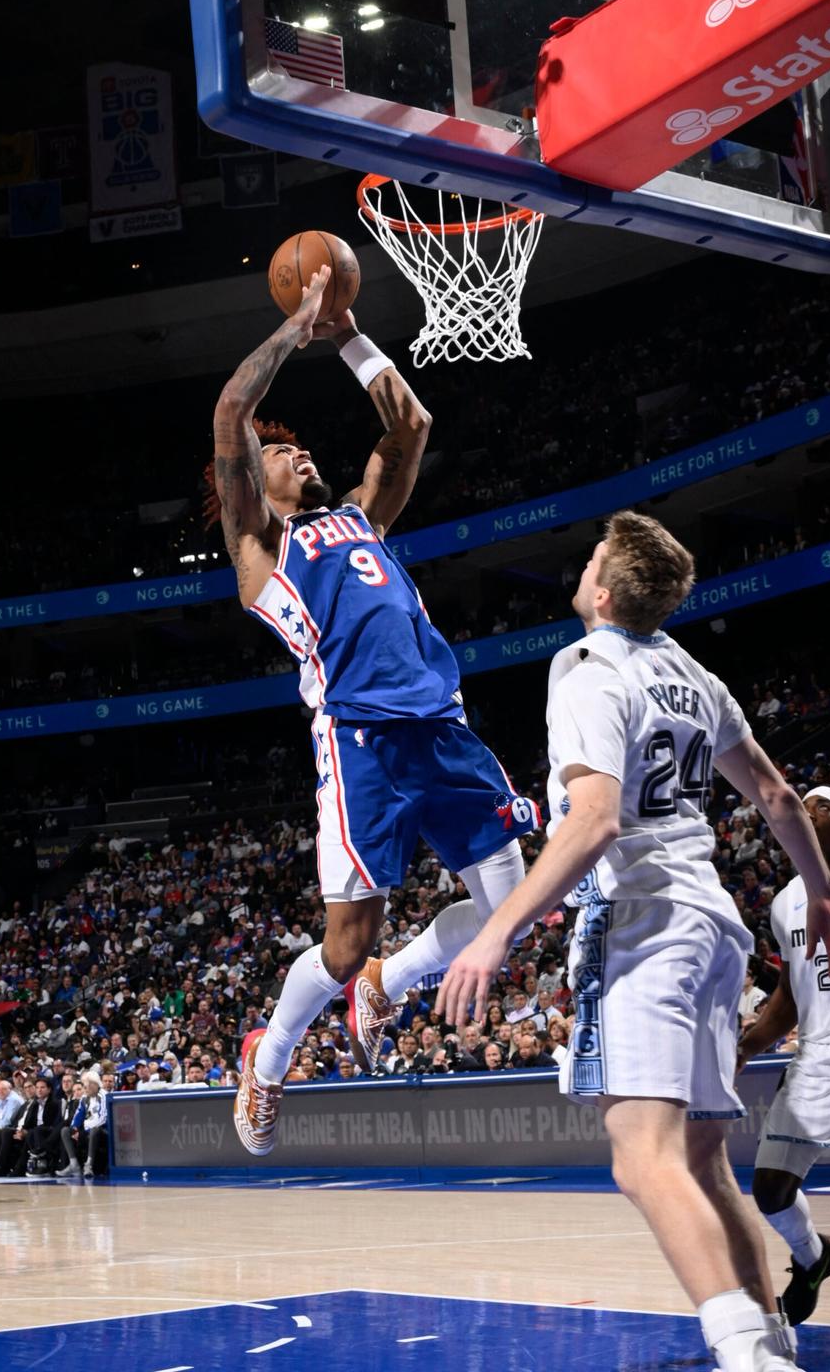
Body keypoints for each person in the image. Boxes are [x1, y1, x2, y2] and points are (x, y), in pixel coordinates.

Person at [436, 511, 830, 1372]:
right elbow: (777, 796)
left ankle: (745, 1354)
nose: (584, 566)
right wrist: (823, 894)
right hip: (715, 930)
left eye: (591, 558)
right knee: (703, 1162)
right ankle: (774, 1337)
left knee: (641, 1160)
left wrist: (498, 932)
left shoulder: (585, 668)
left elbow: (592, 822)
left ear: (602, 589)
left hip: (642, 922)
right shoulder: (694, 673)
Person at [210, 266, 537, 1155]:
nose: (300, 454)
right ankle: (269, 1059)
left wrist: (348, 333)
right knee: (342, 949)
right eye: (284, 455)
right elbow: (232, 415)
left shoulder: (362, 516)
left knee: (514, 914)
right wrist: (296, 325)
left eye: (304, 448)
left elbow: (412, 424)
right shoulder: (260, 549)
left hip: (442, 725)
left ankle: (400, 975)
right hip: (362, 746)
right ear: (254, 482)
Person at [739, 786, 830, 1325]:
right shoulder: (786, 902)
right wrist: (748, 1045)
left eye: (824, 807)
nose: (809, 810)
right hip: (815, 1054)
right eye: (804, 804)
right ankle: (813, 1258)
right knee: (770, 1189)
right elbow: (789, 995)